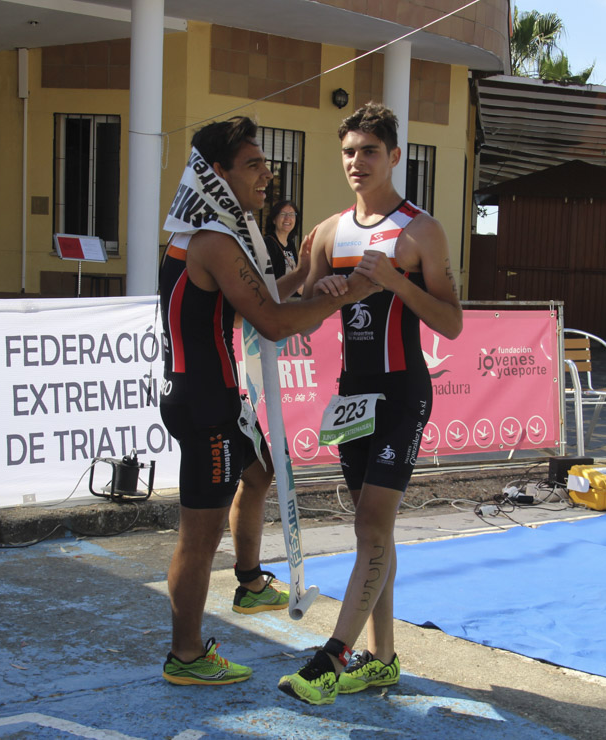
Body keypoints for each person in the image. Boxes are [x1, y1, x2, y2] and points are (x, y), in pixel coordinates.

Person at [157, 116, 379, 686]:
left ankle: (252, 580)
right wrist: (353, 291)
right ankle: (185, 656)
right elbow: (274, 322)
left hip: (213, 397)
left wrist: (306, 273)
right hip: (207, 405)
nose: (267, 174)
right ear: (219, 174)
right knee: (199, 538)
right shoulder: (213, 239)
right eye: (253, 165)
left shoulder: (199, 231)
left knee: (257, 476)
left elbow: (248, 301)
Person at [277, 103, 463, 705]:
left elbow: (453, 323)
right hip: (352, 396)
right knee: (372, 535)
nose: (357, 163)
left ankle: (333, 657)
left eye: (369, 152)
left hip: (403, 392)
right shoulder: (329, 232)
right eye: (349, 152)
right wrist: (323, 290)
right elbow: (298, 302)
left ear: (394, 157)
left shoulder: (420, 230)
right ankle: (382, 659)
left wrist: (398, 283)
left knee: (371, 526)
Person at [264, 199, 309, 297]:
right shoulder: (268, 243)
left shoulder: (290, 244)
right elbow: (267, 278)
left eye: (292, 214)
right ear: (274, 219)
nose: (288, 218)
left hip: (291, 300)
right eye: (283, 214)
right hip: (277, 301)